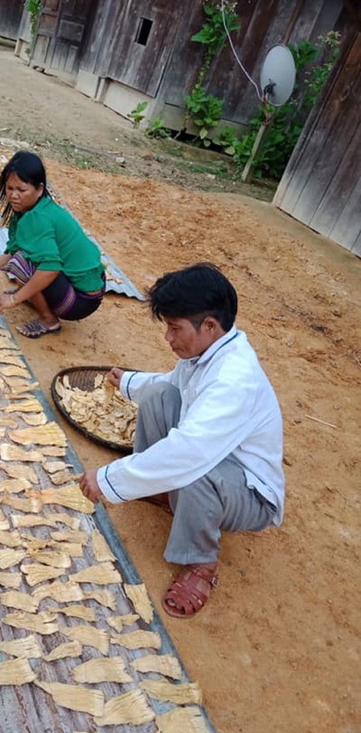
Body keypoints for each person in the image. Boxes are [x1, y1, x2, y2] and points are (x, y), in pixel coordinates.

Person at [79, 263, 285, 619]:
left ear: (209, 325)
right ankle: (162, 490)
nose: (169, 338)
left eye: (175, 328)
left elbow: (191, 452)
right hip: (215, 462)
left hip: (249, 494)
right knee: (159, 395)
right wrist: (130, 382)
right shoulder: (210, 350)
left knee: (195, 471)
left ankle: (201, 563)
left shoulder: (234, 380)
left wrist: (111, 478)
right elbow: (175, 385)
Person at [0, 150, 106, 338]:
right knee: (22, 257)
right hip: (91, 288)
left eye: (21, 190)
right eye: (9, 188)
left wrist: (14, 298)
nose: (13, 195)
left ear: (40, 189)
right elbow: (12, 254)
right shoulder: (34, 210)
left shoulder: (38, 218)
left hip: (80, 300)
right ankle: (33, 295)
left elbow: (50, 268)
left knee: (22, 263)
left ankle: (48, 320)